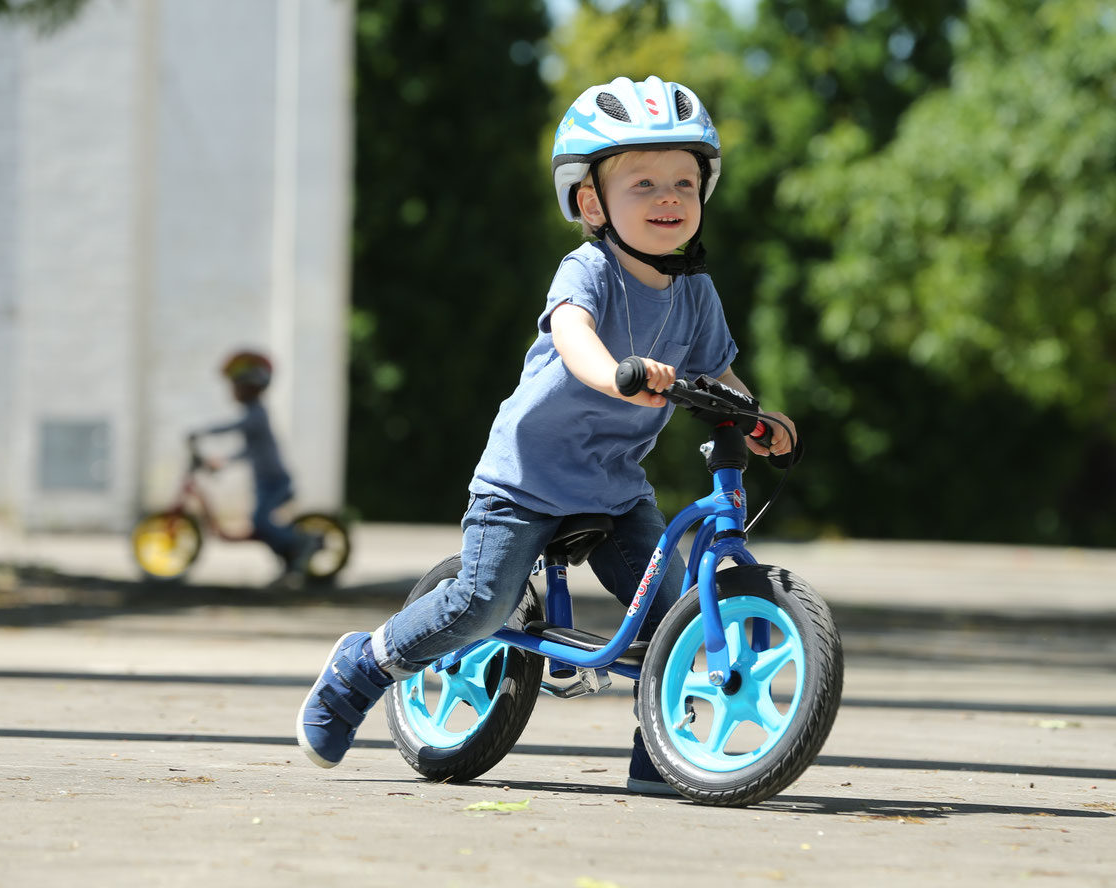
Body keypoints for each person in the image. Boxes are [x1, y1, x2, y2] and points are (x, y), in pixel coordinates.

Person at [296, 76, 796, 793]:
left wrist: (756, 417)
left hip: (615, 487)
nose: (668, 198)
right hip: (524, 479)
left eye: (685, 183)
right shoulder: (587, 269)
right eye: (645, 182)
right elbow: (573, 337)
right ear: (591, 202)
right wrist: (617, 372)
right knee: (482, 603)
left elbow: (720, 374)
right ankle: (362, 667)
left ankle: (665, 747)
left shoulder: (696, 293)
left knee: (672, 614)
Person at [192, 350, 319, 580]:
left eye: (236, 385)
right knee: (262, 526)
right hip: (265, 481)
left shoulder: (256, 415)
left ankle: (304, 541)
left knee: (261, 523)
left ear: (249, 387)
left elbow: (236, 427)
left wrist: (204, 432)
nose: (232, 390)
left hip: (274, 481)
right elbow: (249, 451)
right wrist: (225, 461)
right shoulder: (254, 414)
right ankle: (289, 561)